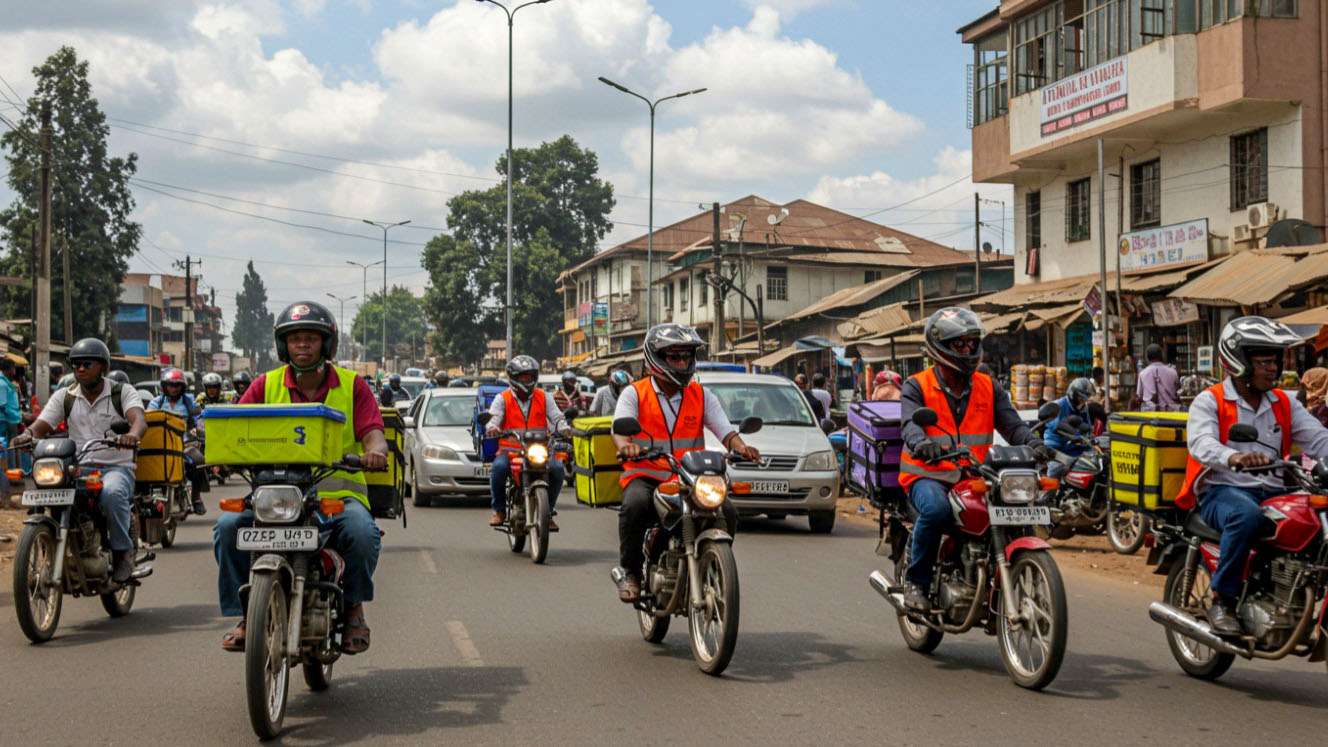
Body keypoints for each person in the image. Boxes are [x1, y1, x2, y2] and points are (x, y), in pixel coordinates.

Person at [214, 301, 388, 654]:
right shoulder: (265, 385)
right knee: (228, 527)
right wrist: (217, 455)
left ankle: (353, 608)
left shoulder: (353, 386)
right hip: (275, 493)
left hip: (336, 498)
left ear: (327, 344)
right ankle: (247, 615)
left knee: (362, 533)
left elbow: (374, 433)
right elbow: (234, 427)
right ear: (284, 346)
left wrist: (376, 452)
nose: (303, 345)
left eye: (311, 338)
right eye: (295, 339)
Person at [1175, 316, 1328, 636]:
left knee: (1314, 520)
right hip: (1223, 491)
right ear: (1239, 362)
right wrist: (1233, 456)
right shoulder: (1210, 400)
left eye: (1275, 361)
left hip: (1274, 491)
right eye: (1264, 362)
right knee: (1246, 516)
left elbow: (1319, 439)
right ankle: (1224, 601)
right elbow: (1200, 443)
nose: (1274, 368)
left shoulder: (1285, 403)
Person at [898, 308, 1050, 611]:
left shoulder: (988, 386)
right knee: (937, 511)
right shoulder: (917, 385)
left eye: (971, 343)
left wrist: (1034, 442)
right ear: (939, 346)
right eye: (959, 344)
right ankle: (918, 581)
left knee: (1018, 510)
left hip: (976, 476)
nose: (967, 350)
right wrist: (922, 443)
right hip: (928, 475)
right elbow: (909, 425)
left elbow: (1013, 425)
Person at [611, 324, 760, 603]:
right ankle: (630, 571)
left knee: (727, 511)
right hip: (646, 474)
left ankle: (713, 565)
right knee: (634, 507)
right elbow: (619, 429)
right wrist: (626, 447)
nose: (681, 363)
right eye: (674, 357)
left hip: (689, 477)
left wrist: (742, 447)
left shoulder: (700, 395)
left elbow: (725, 431)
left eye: (685, 357)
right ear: (655, 357)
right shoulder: (634, 393)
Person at [15, 339, 146, 583]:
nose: (81, 369)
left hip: (115, 467)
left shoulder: (122, 392)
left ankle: (122, 553)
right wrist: (27, 435)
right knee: (46, 490)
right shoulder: (65, 396)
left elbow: (138, 419)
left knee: (112, 494)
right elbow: (41, 425)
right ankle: (49, 546)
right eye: (76, 365)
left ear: (104, 367)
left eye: (87, 364)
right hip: (79, 468)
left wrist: (131, 435)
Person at [485, 355, 569, 529]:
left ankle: (549, 511)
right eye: (523, 377)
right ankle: (499, 510)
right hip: (511, 450)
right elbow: (494, 418)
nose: (527, 381)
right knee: (499, 468)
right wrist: (492, 427)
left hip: (541, 448)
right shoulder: (503, 398)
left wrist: (564, 428)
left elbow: (557, 417)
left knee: (557, 469)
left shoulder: (544, 397)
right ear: (514, 378)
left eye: (529, 377)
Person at [149, 368, 207, 514]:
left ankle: (196, 498)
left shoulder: (190, 402)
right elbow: (148, 420)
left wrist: (198, 430)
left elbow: (199, 421)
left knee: (200, 461)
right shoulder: (156, 402)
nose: (174, 389)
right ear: (164, 386)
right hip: (161, 444)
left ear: (182, 387)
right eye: (171, 385)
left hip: (185, 443)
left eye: (177, 385)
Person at [1043, 378, 1098, 478]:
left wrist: (1091, 438)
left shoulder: (1083, 408)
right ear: (1073, 394)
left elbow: (1088, 427)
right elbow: (1056, 425)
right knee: (1055, 471)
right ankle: (1048, 492)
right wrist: (1074, 434)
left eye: (1085, 399)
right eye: (1081, 398)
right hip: (1057, 449)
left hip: (1075, 449)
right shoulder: (1058, 405)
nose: (1083, 402)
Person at [0, 357, 22, 498]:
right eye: (13, 368)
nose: (14, 371)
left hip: (11, 418)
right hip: (6, 420)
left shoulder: (8, 383)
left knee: (9, 448)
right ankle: (8, 477)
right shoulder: (2, 384)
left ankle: (11, 475)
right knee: (8, 448)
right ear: (8, 369)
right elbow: (2, 405)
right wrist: (15, 416)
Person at [1137, 343, 1180, 411]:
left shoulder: (1143, 374)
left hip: (1150, 413)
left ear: (1147, 357)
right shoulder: (1173, 372)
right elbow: (1177, 391)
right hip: (1171, 413)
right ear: (1161, 356)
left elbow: (1139, 396)